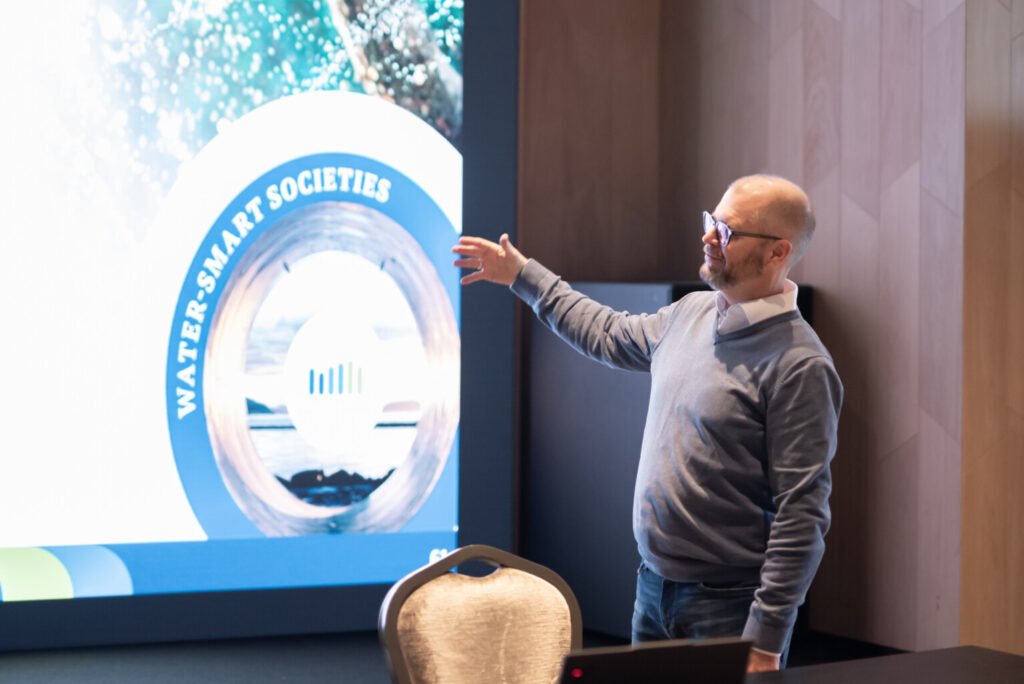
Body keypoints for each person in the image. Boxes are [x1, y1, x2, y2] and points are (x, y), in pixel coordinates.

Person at [452, 174, 842, 673]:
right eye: (711, 220)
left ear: (777, 252)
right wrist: (522, 274)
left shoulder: (800, 364)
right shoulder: (691, 313)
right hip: (652, 590)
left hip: (729, 608)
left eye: (726, 230)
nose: (707, 236)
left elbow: (802, 515)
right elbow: (605, 331)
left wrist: (765, 640)